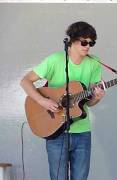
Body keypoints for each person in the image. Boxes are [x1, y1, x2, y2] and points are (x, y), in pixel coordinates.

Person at [20, 21, 105, 180]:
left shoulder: (94, 63)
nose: (88, 46)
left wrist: (97, 97)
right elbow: (25, 81)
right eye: (84, 42)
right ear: (71, 40)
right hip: (55, 131)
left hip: (82, 132)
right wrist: (42, 101)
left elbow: (89, 102)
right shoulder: (55, 60)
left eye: (91, 43)